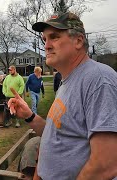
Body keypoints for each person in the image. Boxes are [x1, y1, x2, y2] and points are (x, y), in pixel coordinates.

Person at [8, 12, 117, 179]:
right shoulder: (67, 82)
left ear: (79, 41)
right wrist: (30, 116)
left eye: (54, 37)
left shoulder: (98, 80)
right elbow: (58, 135)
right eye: (44, 39)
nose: (46, 45)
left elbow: (106, 163)